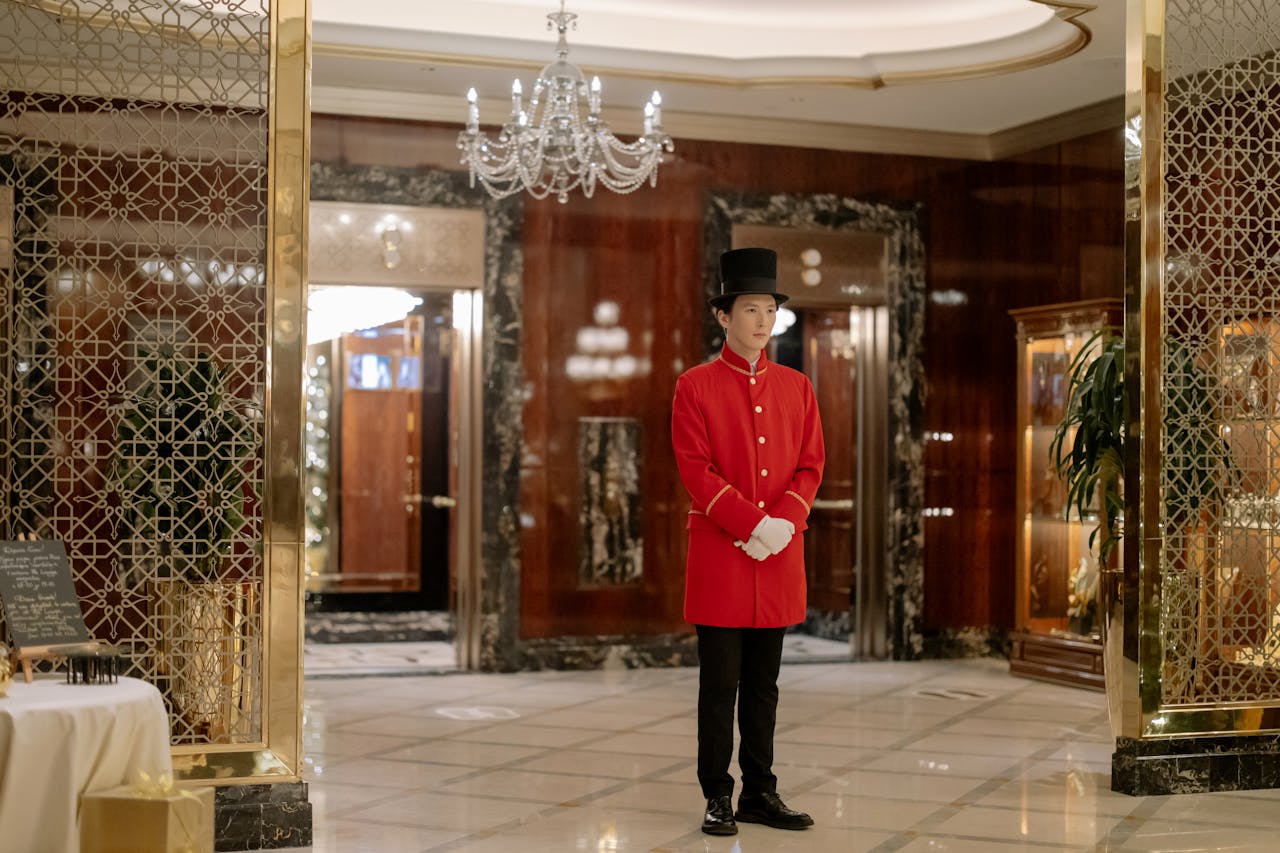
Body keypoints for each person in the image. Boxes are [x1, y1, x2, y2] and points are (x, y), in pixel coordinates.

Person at [670, 247, 825, 836]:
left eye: (769, 310)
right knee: (720, 685)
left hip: (780, 555)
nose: (762, 321)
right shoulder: (695, 386)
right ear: (723, 316)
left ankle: (762, 790)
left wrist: (782, 521)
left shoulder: (797, 387)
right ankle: (717, 793)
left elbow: (810, 466)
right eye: (750, 309)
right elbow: (695, 468)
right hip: (722, 558)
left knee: (765, 685)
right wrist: (751, 524)